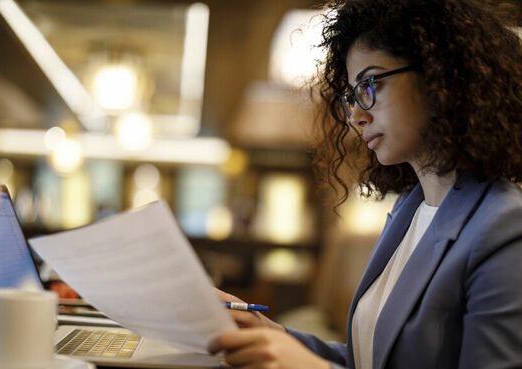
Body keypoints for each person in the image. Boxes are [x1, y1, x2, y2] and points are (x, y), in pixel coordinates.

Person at [207, 0, 522, 368]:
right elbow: (375, 358)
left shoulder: (505, 228)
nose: (356, 115)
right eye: (351, 96)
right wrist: (272, 334)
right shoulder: (411, 208)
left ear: (442, 76)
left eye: (370, 83)